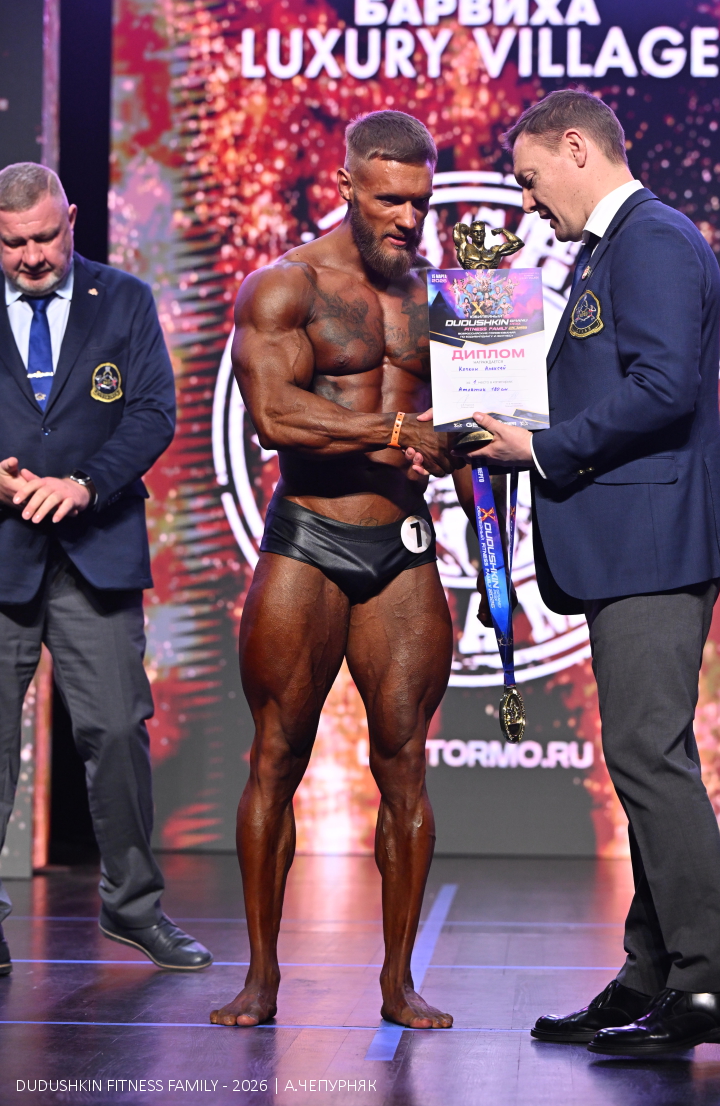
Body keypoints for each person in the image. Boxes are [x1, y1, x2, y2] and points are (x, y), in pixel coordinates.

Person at [409, 89, 720, 1055]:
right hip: (631, 543)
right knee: (645, 758)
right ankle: (653, 974)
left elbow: (663, 387)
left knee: (650, 756)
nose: (525, 202)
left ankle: (712, 983)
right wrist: (482, 407)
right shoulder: (615, 248)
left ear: (577, 149)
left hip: (654, 543)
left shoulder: (652, 240)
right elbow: (607, 379)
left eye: (529, 180)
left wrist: (539, 447)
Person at [209, 111, 461, 1030]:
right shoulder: (287, 285)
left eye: (420, 201)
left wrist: (470, 447)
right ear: (347, 185)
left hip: (402, 543)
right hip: (309, 538)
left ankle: (398, 983)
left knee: (406, 764)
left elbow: (477, 416)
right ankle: (260, 979)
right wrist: (394, 429)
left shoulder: (448, 294)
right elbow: (276, 416)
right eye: (389, 199)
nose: (407, 218)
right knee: (277, 756)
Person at [0, 163, 211, 972]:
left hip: (97, 547)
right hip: (4, 552)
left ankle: (133, 909)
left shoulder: (122, 299)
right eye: (13, 244)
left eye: (44, 237)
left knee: (118, 731)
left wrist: (84, 484)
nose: (32, 256)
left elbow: (154, 413)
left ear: (72, 219)